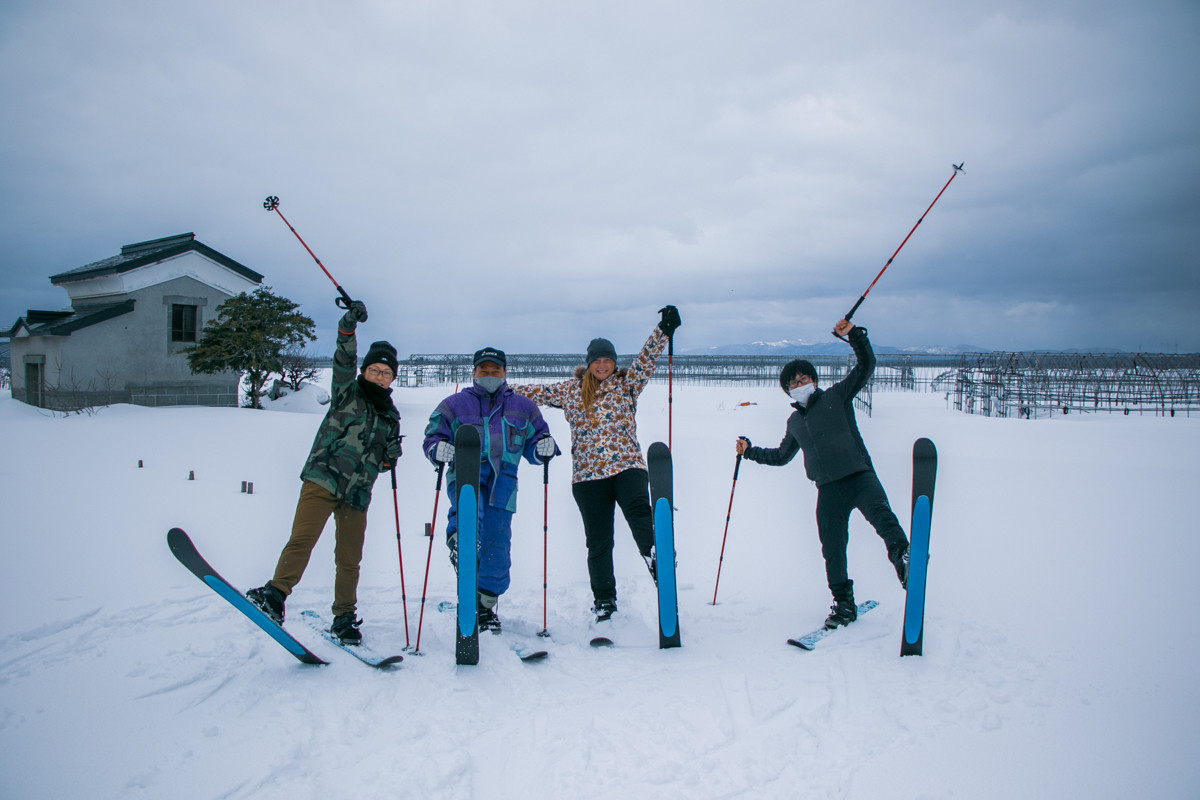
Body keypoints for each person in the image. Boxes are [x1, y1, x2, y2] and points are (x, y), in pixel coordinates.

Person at [735, 318, 909, 630]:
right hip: (828, 489)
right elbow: (781, 456)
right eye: (792, 383)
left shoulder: (837, 396)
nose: (798, 385)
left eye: (803, 379)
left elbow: (866, 365)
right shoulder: (795, 422)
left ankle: (904, 560)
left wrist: (853, 335)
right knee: (832, 549)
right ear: (787, 390)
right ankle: (843, 604)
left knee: (884, 520)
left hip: (859, 476)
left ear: (814, 380)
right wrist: (750, 451)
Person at [246, 300, 402, 645]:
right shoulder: (348, 392)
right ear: (364, 372)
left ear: (393, 378)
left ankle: (344, 618)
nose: (380, 376)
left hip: (357, 495)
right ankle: (275, 595)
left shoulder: (391, 416)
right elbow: (343, 357)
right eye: (375, 370)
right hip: (323, 478)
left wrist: (391, 455)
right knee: (302, 540)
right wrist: (348, 325)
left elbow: (385, 462)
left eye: (386, 372)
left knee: (349, 560)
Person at [514, 305, 681, 622]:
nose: (603, 365)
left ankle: (657, 557)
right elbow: (533, 391)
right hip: (588, 478)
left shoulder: (626, 384)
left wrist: (663, 331)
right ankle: (604, 601)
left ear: (614, 363)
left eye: (608, 360)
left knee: (638, 512)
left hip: (627, 467)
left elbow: (646, 360)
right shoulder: (571, 390)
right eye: (597, 360)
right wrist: (498, 389)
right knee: (599, 543)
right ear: (589, 363)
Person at [422, 347, 557, 633]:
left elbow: (537, 442)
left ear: (505, 372)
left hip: (504, 484)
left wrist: (545, 448)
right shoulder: (454, 404)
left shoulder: (524, 406)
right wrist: (438, 449)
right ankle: (461, 542)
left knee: (497, 548)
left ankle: (483, 608)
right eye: (484, 370)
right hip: (466, 476)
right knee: (470, 518)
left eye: (496, 370)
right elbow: (433, 436)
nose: (490, 374)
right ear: (474, 372)